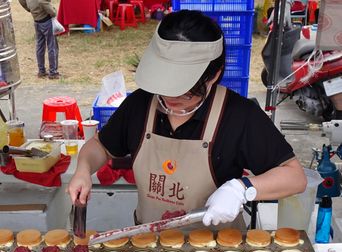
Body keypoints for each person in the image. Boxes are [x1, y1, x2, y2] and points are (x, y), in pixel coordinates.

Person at [68, 10, 307, 229]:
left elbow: (294, 176)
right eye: (164, 84)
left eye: (184, 89)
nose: (170, 96)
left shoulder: (240, 115)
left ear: (214, 74)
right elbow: (101, 146)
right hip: (149, 248)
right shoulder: (140, 104)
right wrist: (83, 169)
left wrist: (242, 189)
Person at [19, 0, 60, 79]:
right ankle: (53, 72)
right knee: (52, 46)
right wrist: (53, 11)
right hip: (46, 20)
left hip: (37, 20)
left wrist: (29, 8)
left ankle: (41, 71)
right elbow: (42, 2)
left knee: (40, 46)